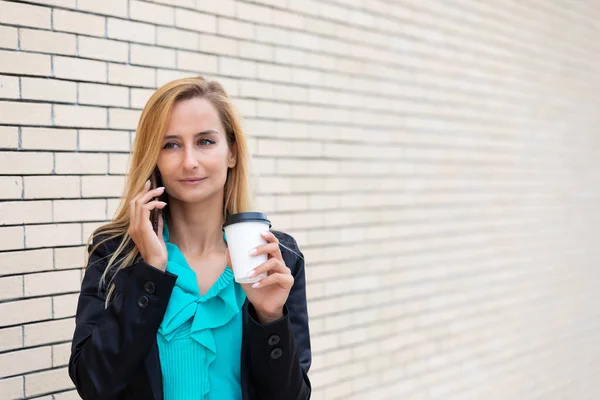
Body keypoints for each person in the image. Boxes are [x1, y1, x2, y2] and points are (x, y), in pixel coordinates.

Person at [68, 77, 312, 400]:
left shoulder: (276, 257)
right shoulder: (114, 254)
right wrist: (151, 274)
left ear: (232, 153)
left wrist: (270, 318)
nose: (189, 161)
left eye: (205, 141)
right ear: (153, 157)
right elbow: (93, 384)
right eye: (171, 144)